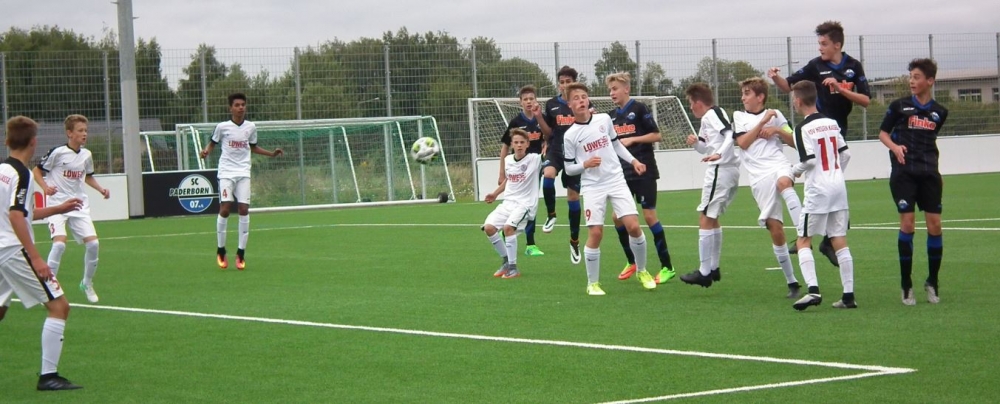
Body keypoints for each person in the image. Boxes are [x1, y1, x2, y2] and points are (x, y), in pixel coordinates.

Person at [768, 20, 871, 266]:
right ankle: (809, 237)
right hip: (817, 131)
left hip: (837, 132)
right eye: (819, 43)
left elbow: (866, 100)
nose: (820, 48)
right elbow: (788, 86)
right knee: (820, 182)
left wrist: (840, 89)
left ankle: (825, 239)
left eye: (824, 43)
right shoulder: (816, 65)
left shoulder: (853, 67)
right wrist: (776, 77)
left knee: (832, 185)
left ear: (837, 45)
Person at [0, 116, 85, 390]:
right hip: (12, 250)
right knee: (59, 306)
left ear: (7, 140)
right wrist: (36, 257)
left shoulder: (2, 170)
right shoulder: (22, 174)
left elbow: (24, 213)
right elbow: (16, 216)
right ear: (33, 142)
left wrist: (58, 209)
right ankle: (49, 377)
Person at [561, 83, 654, 295]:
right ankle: (592, 283)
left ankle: (642, 271)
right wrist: (585, 164)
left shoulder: (604, 119)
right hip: (592, 186)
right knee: (596, 233)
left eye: (583, 96)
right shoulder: (570, 135)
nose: (581, 101)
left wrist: (634, 161)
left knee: (633, 226)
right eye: (576, 98)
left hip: (616, 180)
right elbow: (568, 168)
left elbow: (616, 144)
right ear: (569, 105)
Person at [878, 58, 948, 306]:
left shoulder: (940, 112)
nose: (912, 81)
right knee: (907, 224)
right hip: (904, 173)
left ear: (930, 81)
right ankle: (906, 284)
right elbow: (883, 133)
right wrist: (895, 147)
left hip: (929, 173)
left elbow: (930, 138)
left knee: (935, 226)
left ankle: (932, 281)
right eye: (911, 77)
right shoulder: (898, 106)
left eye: (917, 77)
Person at [785, 81, 857, 311]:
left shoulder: (802, 128)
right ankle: (848, 296)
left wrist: (792, 172)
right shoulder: (831, 123)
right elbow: (845, 155)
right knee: (839, 239)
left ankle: (813, 291)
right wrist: (834, 174)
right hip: (838, 187)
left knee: (803, 239)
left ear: (798, 101)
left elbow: (809, 161)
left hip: (818, 190)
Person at [731, 77, 804, 299]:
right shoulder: (739, 117)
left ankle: (803, 233)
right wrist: (762, 123)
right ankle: (792, 281)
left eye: (747, 93)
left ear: (760, 97)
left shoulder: (776, 114)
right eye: (743, 93)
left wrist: (777, 131)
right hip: (758, 176)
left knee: (784, 182)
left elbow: (794, 141)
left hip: (778, 164)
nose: (743, 98)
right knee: (775, 228)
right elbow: (743, 143)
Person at [604, 72, 676, 284]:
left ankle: (667, 266)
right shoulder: (610, 117)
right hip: (622, 174)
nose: (612, 93)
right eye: (610, 90)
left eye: (615, 89)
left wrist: (633, 139)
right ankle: (632, 261)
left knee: (649, 216)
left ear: (626, 89)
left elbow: (657, 135)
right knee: (617, 218)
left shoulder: (639, 108)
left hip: (644, 170)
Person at [199, 93, 283, 270]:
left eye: (243, 104)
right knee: (225, 208)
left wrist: (271, 154)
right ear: (230, 108)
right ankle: (221, 250)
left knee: (244, 209)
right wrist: (206, 152)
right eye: (237, 105)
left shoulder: (250, 127)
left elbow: (253, 147)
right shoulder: (222, 127)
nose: (241, 107)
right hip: (226, 172)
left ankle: (241, 253)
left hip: (243, 172)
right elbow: (212, 143)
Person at [32, 114, 110, 303]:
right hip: (57, 206)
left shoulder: (86, 155)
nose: (85, 134)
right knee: (59, 244)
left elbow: (87, 176)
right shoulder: (57, 153)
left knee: (94, 244)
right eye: (80, 131)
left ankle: (87, 283)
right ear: (69, 133)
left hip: (78, 206)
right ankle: (48, 288)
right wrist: (45, 187)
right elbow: (36, 171)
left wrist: (101, 189)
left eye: (86, 131)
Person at [678, 83, 740, 288]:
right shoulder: (708, 118)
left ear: (698, 102)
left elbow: (730, 134)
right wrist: (696, 143)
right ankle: (713, 268)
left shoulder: (713, 114)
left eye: (690, 103)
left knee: (705, 217)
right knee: (712, 218)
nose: (690, 107)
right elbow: (705, 148)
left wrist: (719, 154)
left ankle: (704, 272)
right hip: (727, 169)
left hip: (720, 170)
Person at [537, 66, 592, 264]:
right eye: (562, 82)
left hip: (575, 154)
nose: (565, 85)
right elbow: (548, 133)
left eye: (569, 81)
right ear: (558, 84)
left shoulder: (582, 103)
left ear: (574, 83)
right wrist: (539, 117)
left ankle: (574, 241)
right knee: (548, 175)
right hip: (556, 150)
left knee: (573, 197)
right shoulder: (552, 104)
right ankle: (551, 215)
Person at [483, 129, 543, 279]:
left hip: (525, 204)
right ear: (511, 145)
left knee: (508, 228)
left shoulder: (535, 159)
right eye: (516, 142)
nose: (519, 145)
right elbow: (509, 180)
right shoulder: (508, 160)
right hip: (508, 203)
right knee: (489, 228)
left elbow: (549, 151)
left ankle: (513, 268)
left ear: (528, 144)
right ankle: (506, 261)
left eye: (522, 142)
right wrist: (495, 194)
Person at [498, 85, 546, 257]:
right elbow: (505, 146)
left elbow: (547, 138)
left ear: (536, 101)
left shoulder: (541, 119)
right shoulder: (516, 122)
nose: (529, 102)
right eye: (525, 99)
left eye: (531, 99)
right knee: (519, 204)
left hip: (534, 168)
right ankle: (512, 233)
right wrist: (501, 173)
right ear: (520, 103)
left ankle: (529, 243)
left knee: (531, 204)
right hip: (518, 169)